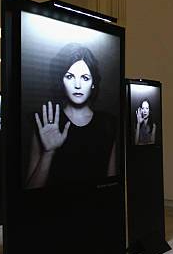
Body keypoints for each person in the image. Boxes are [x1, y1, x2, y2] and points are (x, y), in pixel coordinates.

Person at [25, 43, 117, 189]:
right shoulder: (45, 123)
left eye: (85, 78)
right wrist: (48, 152)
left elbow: (112, 184)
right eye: (70, 76)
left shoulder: (109, 124)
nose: (78, 85)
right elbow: (30, 190)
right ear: (61, 81)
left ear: (93, 83)